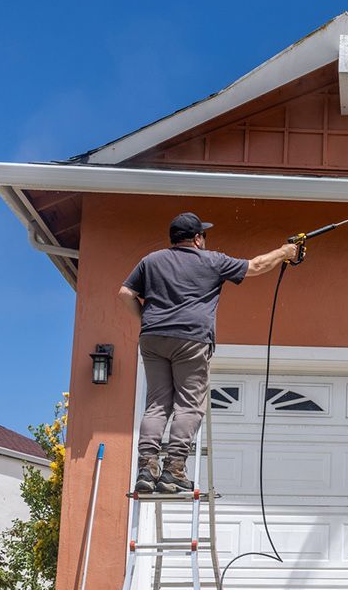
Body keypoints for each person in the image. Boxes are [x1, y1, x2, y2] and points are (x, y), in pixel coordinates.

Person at [118, 212, 300, 494]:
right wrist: (285, 251)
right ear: (198, 238)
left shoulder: (151, 260)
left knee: (156, 405)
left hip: (152, 337)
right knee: (189, 404)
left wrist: (146, 320)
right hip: (191, 339)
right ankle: (173, 471)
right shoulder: (212, 260)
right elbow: (256, 266)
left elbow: (125, 294)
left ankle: (146, 467)